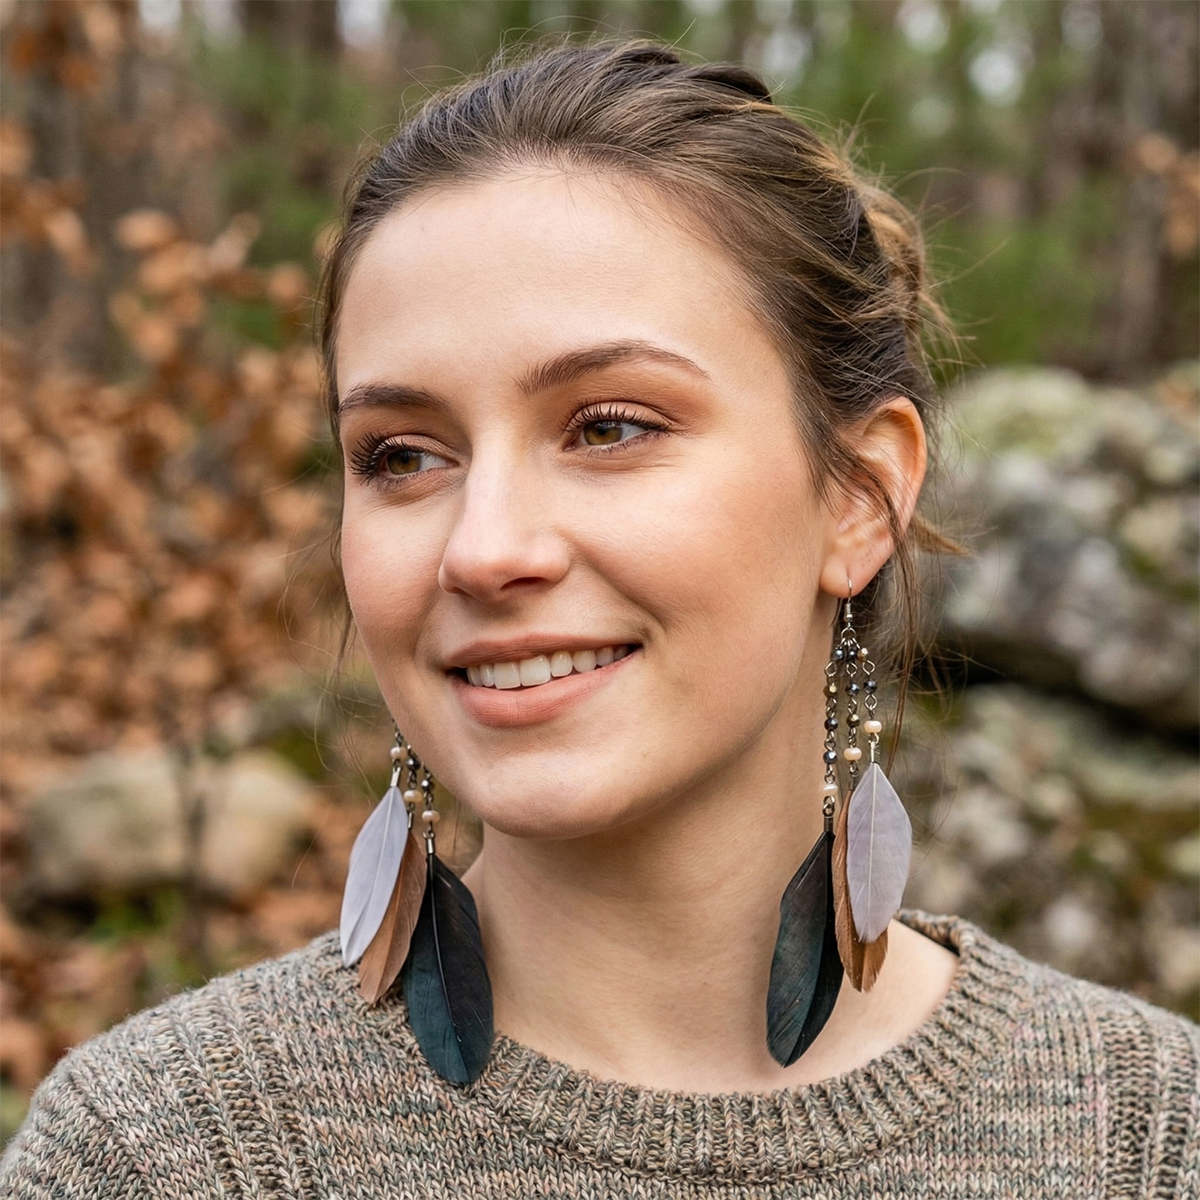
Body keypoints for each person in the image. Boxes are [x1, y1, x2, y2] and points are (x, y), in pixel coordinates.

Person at [4, 38, 1199, 1199]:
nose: (485, 549)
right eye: (403, 455)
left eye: (610, 426)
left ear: (858, 494)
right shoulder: (165, 1154)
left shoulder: (1145, 1137)